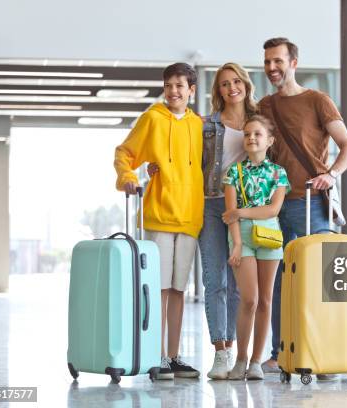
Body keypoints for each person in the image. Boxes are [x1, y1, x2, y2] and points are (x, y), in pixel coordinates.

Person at [148, 63, 258, 380]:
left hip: (245, 209)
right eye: (224, 84)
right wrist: (156, 165)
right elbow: (178, 150)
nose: (231, 88)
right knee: (215, 280)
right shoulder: (204, 124)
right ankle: (220, 351)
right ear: (217, 90)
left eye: (236, 81)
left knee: (240, 284)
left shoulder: (258, 122)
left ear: (246, 85)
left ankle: (238, 351)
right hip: (209, 204)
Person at [257, 37, 347, 379]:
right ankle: (280, 352)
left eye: (278, 61)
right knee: (281, 281)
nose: (272, 67)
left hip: (311, 203)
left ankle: (325, 353)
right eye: (268, 61)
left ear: (294, 62)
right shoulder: (265, 106)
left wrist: (332, 174)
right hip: (275, 205)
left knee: (318, 280)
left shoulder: (317, 101)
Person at [114, 62, 203, 380]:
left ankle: (174, 356)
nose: (173, 91)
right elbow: (124, 152)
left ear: (191, 90)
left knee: (179, 288)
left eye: (180, 86)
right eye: (168, 85)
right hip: (160, 215)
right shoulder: (152, 118)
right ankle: (157, 356)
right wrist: (128, 176)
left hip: (191, 217)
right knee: (161, 288)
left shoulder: (198, 125)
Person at [221, 114, 290, 380]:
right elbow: (229, 215)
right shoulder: (233, 173)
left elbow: (274, 209)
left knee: (266, 300)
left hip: (270, 237)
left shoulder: (278, 173)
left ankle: (256, 362)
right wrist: (237, 243)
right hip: (242, 239)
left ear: (269, 141)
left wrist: (242, 211)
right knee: (248, 299)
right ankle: (240, 358)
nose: (251, 138)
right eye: (247, 134)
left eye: (257, 134)